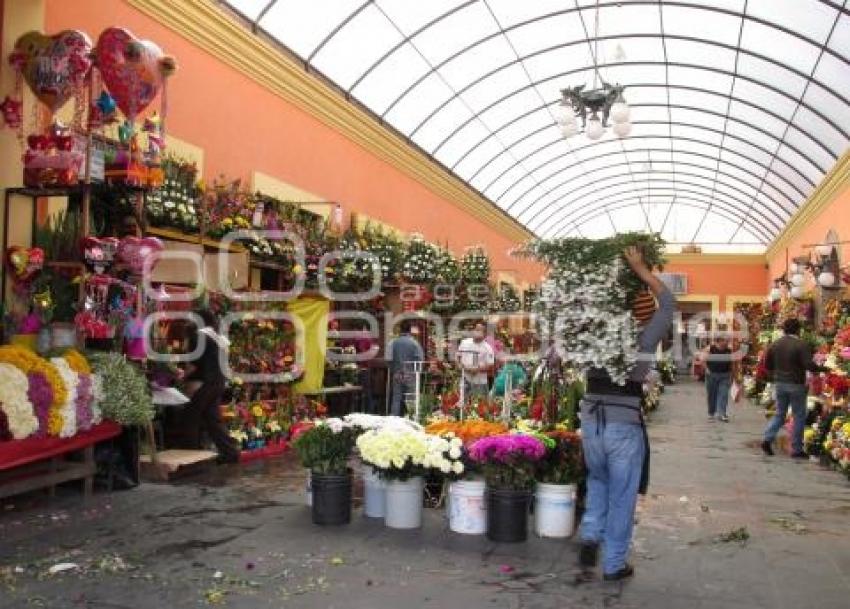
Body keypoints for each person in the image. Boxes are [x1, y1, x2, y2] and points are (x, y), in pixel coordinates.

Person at [578, 247, 676, 582]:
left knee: (597, 480)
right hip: (623, 422)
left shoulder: (592, 336)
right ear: (641, 314)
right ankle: (614, 563)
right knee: (622, 493)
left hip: (591, 419)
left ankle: (590, 534)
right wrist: (640, 269)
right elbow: (669, 304)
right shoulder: (645, 336)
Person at [176, 309, 240, 464]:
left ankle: (189, 456)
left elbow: (193, 364)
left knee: (190, 416)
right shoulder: (215, 336)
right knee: (212, 420)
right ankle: (230, 453)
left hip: (205, 383)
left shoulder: (197, 336)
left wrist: (180, 376)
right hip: (218, 382)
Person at [761, 318, 830, 458]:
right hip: (796, 384)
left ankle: (767, 439)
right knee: (799, 415)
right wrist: (823, 368)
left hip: (780, 383)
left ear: (784, 329)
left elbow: (767, 364)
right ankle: (797, 449)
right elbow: (809, 365)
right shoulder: (801, 344)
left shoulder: (775, 344)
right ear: (798, 330)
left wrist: (776, 373)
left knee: (780, 414)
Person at [387, 320, 424, 416]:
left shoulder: (393, 343)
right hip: (411, 374)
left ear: (400, 330)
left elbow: (388, 359)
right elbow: (420, 359)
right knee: (411, 398)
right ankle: (412, 417)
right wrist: (417, 371)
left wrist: (393, 369)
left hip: (397, 373)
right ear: (410, 330)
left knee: (396, 398)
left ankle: (393, 419)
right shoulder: (414, 343)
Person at [457, 322, 495, 399]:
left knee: (478, 405)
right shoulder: (464, 342)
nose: (477, 332)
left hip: (479, 382)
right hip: (464, 379)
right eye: (476, 329)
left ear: (485, 334)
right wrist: (459, 365)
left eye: (480, 330)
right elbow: (458, 356)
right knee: (461, 403)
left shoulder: (487, 348)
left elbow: (490, 365)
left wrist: (477, 369)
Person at [704, 333, 736, 422]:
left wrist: (733, 376)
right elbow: (703, 359)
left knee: (724, 394)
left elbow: (732, 364)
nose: (727, 342)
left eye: (728, 341)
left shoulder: (729, 351)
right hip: (712, 375)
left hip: (725, 375)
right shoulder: (710, 349)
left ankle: (722, 414)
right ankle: (711, 413)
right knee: (712, 395)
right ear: (719, 341)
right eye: (725, 341)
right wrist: (706, 369)